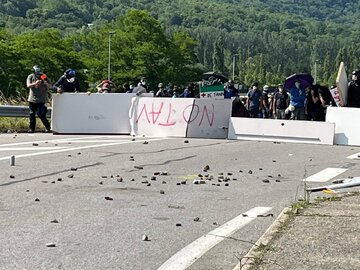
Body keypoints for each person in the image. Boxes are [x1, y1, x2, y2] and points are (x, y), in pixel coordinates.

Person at [26, 65, 52, 133]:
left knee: (41, 114)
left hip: (42, 99)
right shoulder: (31, 76)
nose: (37, 74)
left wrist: (44, 82)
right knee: (32, 114)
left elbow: (50, 86)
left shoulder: (43, 76)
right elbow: (28, 85)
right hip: (32, 99)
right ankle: (31, 128)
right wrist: (35, 83)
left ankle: (47, 126)